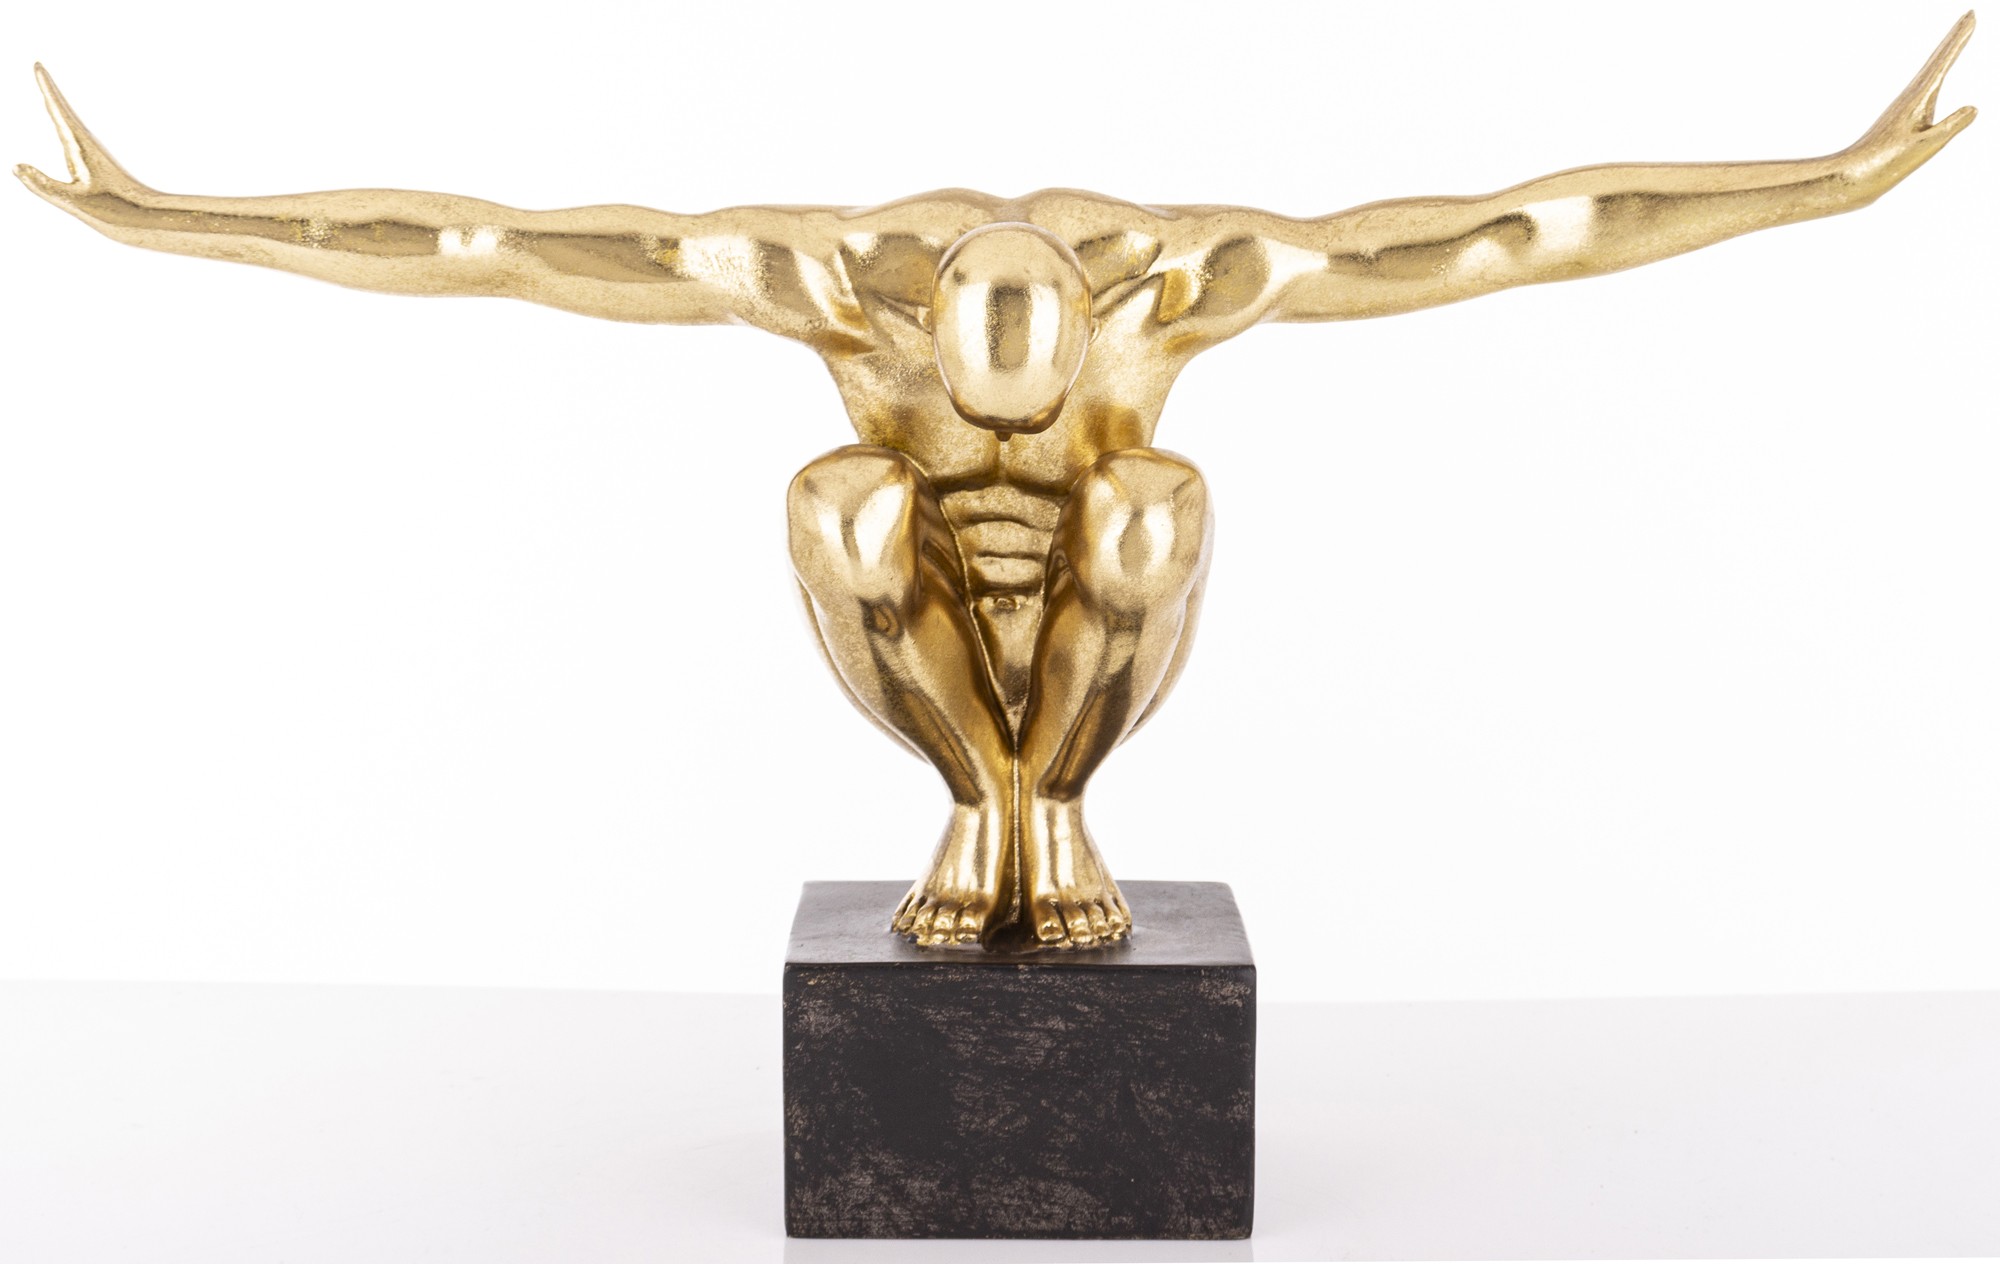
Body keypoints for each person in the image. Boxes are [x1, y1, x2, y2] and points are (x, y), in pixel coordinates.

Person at [17, 16, 1975, 948]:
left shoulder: (1187, 283)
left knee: (1154, 499)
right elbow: (489, 244)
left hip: (1110, 611)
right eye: (980, 403)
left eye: (1046, 402)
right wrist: (170, 214)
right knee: (838, 499)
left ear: (1094, 323)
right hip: (915, 615)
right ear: (919, 326)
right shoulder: (824, 286)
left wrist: (1833, 177)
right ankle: (986, 803)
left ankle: (1058, 808)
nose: (1014, 440)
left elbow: (1513, 230)